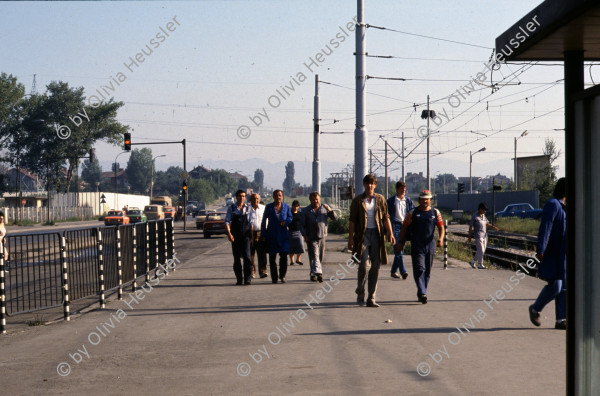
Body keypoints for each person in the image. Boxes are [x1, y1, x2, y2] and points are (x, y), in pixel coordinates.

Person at [348, 174, 395, 307]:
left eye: (372, 183)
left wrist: (391, 234)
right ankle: (360, 291)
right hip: (362, 236)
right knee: (363, 265)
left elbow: (386, 218)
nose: (369, 186)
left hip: (377, 235)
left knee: (376, 266)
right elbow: (352, 221)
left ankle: (371, 297)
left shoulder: (380, 199)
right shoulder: (358, 201)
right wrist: (350, 238)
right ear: (364, 185)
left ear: (375, 185)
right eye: (367, 183)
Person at [529, 177, 567, 330]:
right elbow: (545, 228)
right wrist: (541, 250)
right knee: (556, 286)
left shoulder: (563, 206)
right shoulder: (553, 205)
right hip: (552, 254)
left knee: (563, 287)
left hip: (562, 255)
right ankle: (535, 308)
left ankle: (560, 320)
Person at [396, 190, 444, 304]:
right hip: (417, 246)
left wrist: (441, 238)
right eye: (423, 199)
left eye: (427, 199)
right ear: (419, 200)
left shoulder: (435, 212)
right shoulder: (412, 213)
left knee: (427, 271)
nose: (425, 201)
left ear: (430, 200)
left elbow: (441, 227)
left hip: (430, 246)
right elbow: (404, 228)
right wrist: (400, 242)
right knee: (419, 269)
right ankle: (423, 292)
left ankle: (422, 292)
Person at [301, 191, 337, 282]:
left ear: (319, 199)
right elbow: (301, 225)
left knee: (320, 255)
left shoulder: (324, 209)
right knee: (314, 255)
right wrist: (304, 235)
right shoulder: (306, 210)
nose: (315, 201)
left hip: (322, 235)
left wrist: (330, 210)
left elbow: (335, 218)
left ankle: (313, 273)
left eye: (317, 199)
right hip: (311, 236)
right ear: (310, 200)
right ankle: (319, 273)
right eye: (313, 200)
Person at [261, 190, 292, 284]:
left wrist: (286, 222)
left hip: (283, 235)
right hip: (272, 235)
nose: (278, 197)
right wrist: (263, 233)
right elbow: (263, 221)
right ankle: (274, 277)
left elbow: (290, 217)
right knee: (272, 257)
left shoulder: (286, 206)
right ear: (273, 196)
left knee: (283, 256)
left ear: (282, 196)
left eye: (280, 195)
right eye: (276, 195)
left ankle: (282, 275)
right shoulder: (269, 207)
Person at [387, 181, 415, 280]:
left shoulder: (408, 200)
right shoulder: (391, 201)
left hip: (405, 226)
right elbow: (386, 215)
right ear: (397, 189)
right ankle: (403, 271)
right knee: (398, 249)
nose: (403, 191)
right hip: (395, 227)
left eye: (404, 189)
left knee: (400, 249)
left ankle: (394, 271)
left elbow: (413, 211)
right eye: (401, 189)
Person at [225, 190, 252, 285]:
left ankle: (248, 278)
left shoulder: (248, 208)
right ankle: (239, 279)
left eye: (243, 196)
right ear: (236, 197)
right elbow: (227, 222)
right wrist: (229, 234)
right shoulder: (232, 208)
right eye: (240, 196)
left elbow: (251, 223)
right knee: (236, 258)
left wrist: (251, 236)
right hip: (235, 236)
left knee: (247, 257)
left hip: (246, 236)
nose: (242, 198)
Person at [468, 202, 499, 269]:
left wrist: (493, 227)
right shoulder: (475, 216)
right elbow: (470, 227)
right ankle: (480, 264)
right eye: (484, 210)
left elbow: (487, 223)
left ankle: (473, 261)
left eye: (485, 210)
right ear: (480, 209)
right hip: (478, 235)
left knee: (481, 250)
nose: (485, 211)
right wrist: (469, 237)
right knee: (481, 250)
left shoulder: (483, 216)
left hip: (484, 235)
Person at [248, 193, 268, 278]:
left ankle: (263, 271)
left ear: (259, 199)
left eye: (256, 198)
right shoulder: (247, 209)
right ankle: (252, 271)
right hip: (250, 233)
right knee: (250, 254)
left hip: (261, 233)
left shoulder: (263, 208)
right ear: (250, 199)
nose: (255, 200)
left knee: (262, 254)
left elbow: (267, 220)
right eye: (253, 198)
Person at [288, 200, 305, 266]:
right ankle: (292, 261)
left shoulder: (300, 214)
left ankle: (298, 259)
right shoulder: (289, 214)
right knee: (291, 247)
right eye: (294, 206)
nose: (296, 208)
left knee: (300, 245)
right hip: (290, 231)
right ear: (292, 206)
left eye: (297, 206)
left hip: (299, 231)